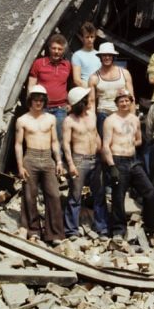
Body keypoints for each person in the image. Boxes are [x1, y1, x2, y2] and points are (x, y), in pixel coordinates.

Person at [101, 88, 154, 244]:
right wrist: (112, 166)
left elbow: (139, 140)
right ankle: (119, 230)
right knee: (118, 197)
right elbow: (105, 146)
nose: (124, 103)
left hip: (133, 161)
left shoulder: (134, 119)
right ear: (116, 103)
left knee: (150, 192)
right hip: (118, 161)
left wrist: (129, 141)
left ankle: (151, 226)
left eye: (127, 100)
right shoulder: (110, 120)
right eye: (121, 101)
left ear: (131, 102)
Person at [13, 85, 65, 244]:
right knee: (30, 196)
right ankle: (33, 230)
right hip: (31, 157)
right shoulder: (22, 120)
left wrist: (59, 161)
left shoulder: (50, 118)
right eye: (35, 100)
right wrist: (20, 166)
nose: (38, 103)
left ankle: (54, 234)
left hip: (48, 158)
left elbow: (55, 141)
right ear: (30, 101)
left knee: (54, 195)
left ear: (45, 102)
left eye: (41, 100)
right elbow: (18, 144)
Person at [62, 85, 106, 238]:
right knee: (75, 196)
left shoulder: (92, 114)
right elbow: (66, 144)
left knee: (99, 195)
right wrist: (71, 164)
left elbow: (96, 135)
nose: (89, 100)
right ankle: (71, 230)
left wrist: (102, 155)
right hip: (79, 160)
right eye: (86, 99)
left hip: (96, 159)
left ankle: (102, 228)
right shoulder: (69, 121)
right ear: (80, 102)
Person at [27, 33, 72, 146]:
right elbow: (31, 85)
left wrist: (70, 103)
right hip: (41, 107)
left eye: (60, 49)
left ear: (64, 50)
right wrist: (31, 104)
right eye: (54, 48)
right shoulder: (39, 63)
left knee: (59, 138)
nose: (56, 51)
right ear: (49, 48)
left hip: (61, 109)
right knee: (40, 136)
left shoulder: (67, 65)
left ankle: (58, 162)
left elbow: (71, 85)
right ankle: (40, 162)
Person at [89, 42, 134, 138]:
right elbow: (91, 102)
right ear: (100, 57)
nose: (107, 57)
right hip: (103, 114)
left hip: (122, 113)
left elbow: (131, 98)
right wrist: (92, 122)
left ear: (113, 56)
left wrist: (133, 117)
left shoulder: (125, 73)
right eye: (104, 55)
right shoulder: (94, 77)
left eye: (109, 55)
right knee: (105, 145)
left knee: (122, 142)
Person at [71, 23, 102, 91]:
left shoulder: (100, 55)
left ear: (95, 38)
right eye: (87, 37)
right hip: (85, 91)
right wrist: (92, 91)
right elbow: (77, 80)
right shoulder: (77, 55)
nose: (90, 39)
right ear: (82, 38)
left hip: (100, 90)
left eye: (92, 37)